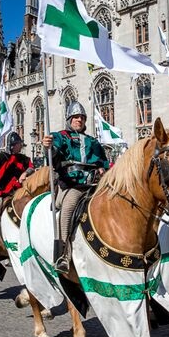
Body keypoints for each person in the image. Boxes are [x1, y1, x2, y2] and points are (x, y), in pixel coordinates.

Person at [41, 101, 109, 274]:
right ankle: (62, 254)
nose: (79, 120)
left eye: (82, 117)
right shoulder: (61, 136)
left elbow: (102, 161)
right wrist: (47, 146)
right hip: (72, 184)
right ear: (69, 119)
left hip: (93, 184)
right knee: (69, 206)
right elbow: (53, 153)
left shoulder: (92, 141)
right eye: (76, 117)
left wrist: (102, 168)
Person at [0, 132, 34, 244]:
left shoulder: (24, 159)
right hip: (4, 191)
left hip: (20, 190)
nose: (20, 146)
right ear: (12, 145)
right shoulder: (1, 157)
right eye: (18, 144)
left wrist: (25, 173)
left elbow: (32, 167)